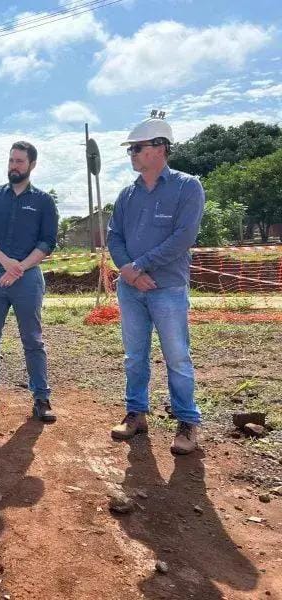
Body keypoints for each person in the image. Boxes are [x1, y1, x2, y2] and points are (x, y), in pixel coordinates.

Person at [107, 116, 205, 455]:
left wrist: (140, 266)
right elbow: (113, 236)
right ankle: (136, 414)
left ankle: (187, 422)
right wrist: (129, 273)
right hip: (131, 289)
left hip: (167, 288)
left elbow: (183, 237)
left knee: (177, 357)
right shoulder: (127, 195)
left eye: (137, 148)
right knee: (135, 356)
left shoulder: (187, 187)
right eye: (131, 149)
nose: (132, 154)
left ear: (160, 148)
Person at [0, 141, 59, 422]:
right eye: (11, 160)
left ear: (32, 165)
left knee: (32, 340)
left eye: (20, 161)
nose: (14, 166)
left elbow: (48, 242)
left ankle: (41, 398)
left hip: (27, 278)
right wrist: (6, 262)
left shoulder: (44, 201)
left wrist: (19, 267)